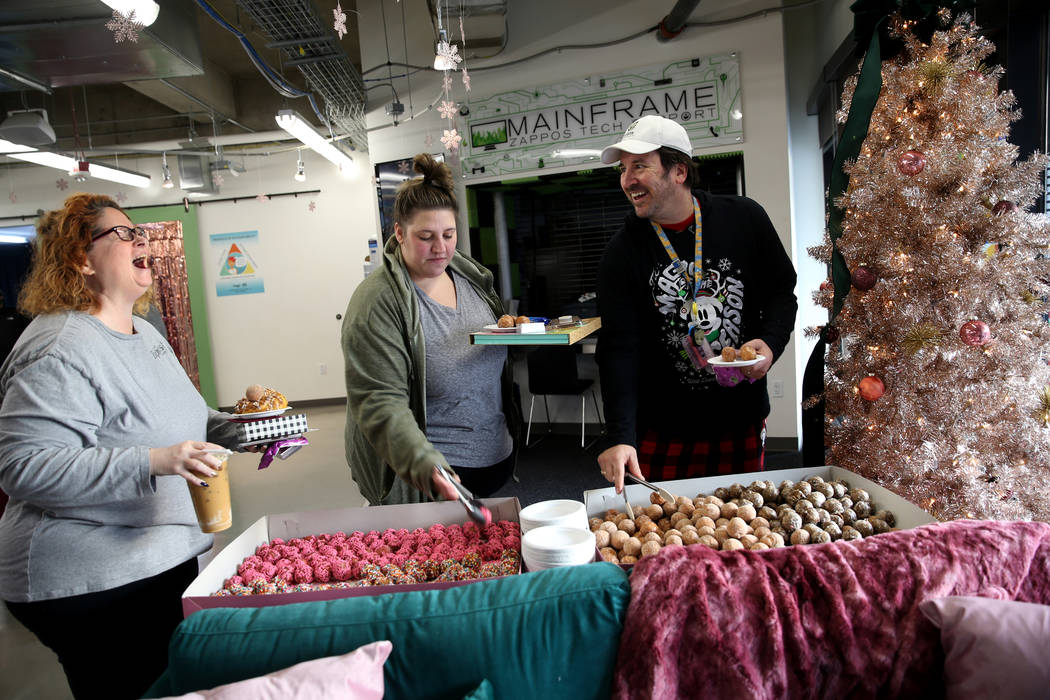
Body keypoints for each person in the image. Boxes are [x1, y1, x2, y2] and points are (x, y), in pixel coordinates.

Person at [0, 193, 241, 699]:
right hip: (93, 581)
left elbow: (183, 422)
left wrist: (244, 428)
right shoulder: (58, 346)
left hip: (159, 561)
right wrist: (155, 462)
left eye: (140, 232)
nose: (141, 239)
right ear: (79, 258)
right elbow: (25, 468)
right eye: (123, 234)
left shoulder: (145, 333)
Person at [595, 115, 797, 492]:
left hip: (740, 418)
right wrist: (619, 434)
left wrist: (770, 343)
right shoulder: (621, 254)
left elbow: (782, 292)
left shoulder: (744, 218)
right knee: (666, 539)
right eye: (623, 169)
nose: (627, 179)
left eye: (640, 165)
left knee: (743, 535)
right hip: (662, 427)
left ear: (679, 171)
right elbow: (618, 350)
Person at [342, 153, 521, 506]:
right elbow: (379, 401)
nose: (441, 248)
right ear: (399, 233)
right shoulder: (378, 301)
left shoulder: (471, 276)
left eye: (449, 234)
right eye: (426, 237)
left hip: (492, 460)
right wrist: (425, 465)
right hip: (427, 480)